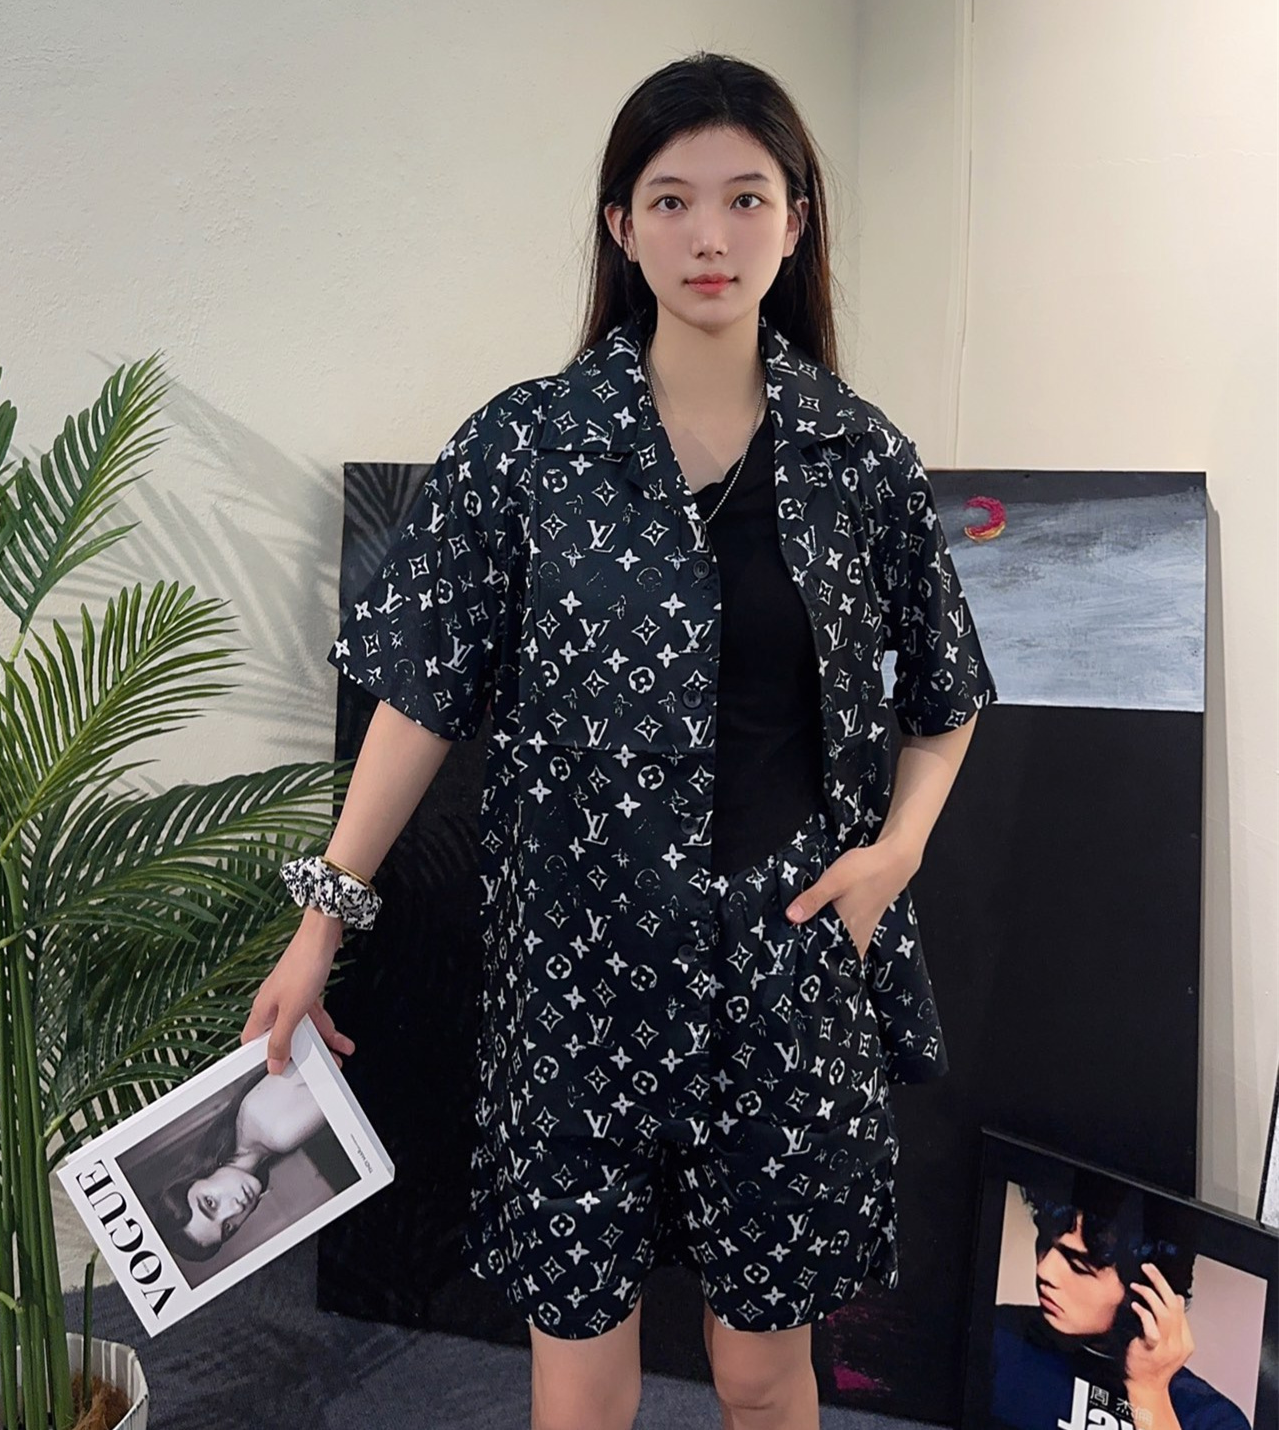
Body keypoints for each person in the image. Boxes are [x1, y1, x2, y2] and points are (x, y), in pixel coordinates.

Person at [243, 51, 998, 1430]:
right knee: (580, 1367)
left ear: (795, 220)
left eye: (744, 198)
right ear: (620, 225)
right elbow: (419, 697)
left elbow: (942, 696)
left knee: (761, 1370)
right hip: (576, 977)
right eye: (669, 200)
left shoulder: (857, 457)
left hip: (787, 968)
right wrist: (317, 922)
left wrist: (892, 854)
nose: (709, 235)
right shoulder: (525, 447)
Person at [990, 1171, 1251, 1430]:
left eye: (1078, 1266)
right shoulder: (998, 1333)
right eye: (1045, 1242)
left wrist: (1149, 1393)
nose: (1044, 1271)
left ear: (1144, 1291)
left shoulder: (1212, 1419)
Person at [152, 1060, 337, 1264]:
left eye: (210, 1203)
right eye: (227, 1227)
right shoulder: (252, 1128)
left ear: (195, 1177)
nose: (236, 1209)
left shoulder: (278, 1134)